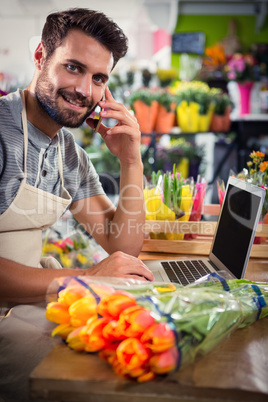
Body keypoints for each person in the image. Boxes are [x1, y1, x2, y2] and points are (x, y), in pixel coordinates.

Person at [0, 8, 153, 401]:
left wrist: (130, 160)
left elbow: (123, 247)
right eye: (73, 67)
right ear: (40, 57)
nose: (85, 90)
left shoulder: (69, 155)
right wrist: (87, 276)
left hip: (23, 311)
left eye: (99, 78)